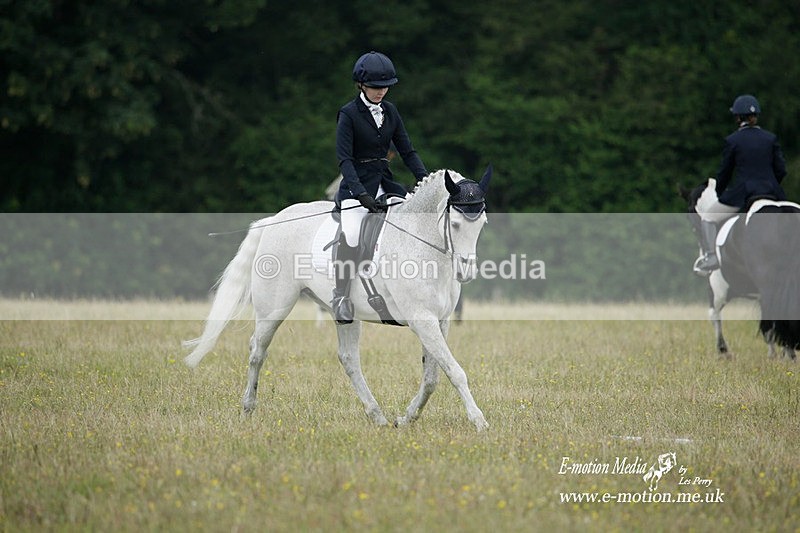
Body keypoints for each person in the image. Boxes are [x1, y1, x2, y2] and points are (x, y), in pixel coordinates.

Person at [332, 51, 428, 323]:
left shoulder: (391, 111)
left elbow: (407, 151)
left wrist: (426, 179)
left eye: (385, 86)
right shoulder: (348, 114)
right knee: (351, 233)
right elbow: (344, 159)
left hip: (385, 182)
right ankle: (340, 296)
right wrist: (360, 193)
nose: (381, 92)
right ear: (361, 84)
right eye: (375, 87)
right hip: (356, 187)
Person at [692, 94, 787, 276]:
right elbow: (781, 169)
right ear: (756, 116)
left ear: (737, 118)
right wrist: (770, 185)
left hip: (744, 193)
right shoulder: (770, 138)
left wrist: (720, 192)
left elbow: (725, 172)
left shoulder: (733, 140)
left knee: (708, 218)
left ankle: (711, 257)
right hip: (772, 192)